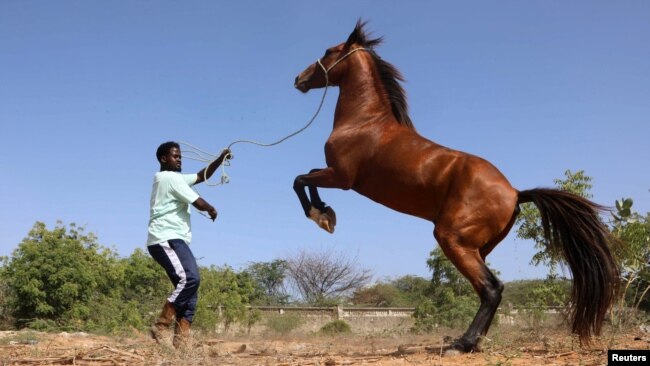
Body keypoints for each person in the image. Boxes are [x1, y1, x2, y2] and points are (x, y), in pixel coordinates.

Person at [147, 141, 230, 348]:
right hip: (165, 237)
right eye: (175, 156)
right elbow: (198, 202)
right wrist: (211, 209)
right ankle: (161, 324)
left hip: (174, 239)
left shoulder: (175, 178)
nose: (179, 159)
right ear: (163, 159)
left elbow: (202, 176)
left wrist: (220, 159)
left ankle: (181, 342)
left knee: (190, 291)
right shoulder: (168, 178)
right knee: (190, 279)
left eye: (180, 156)